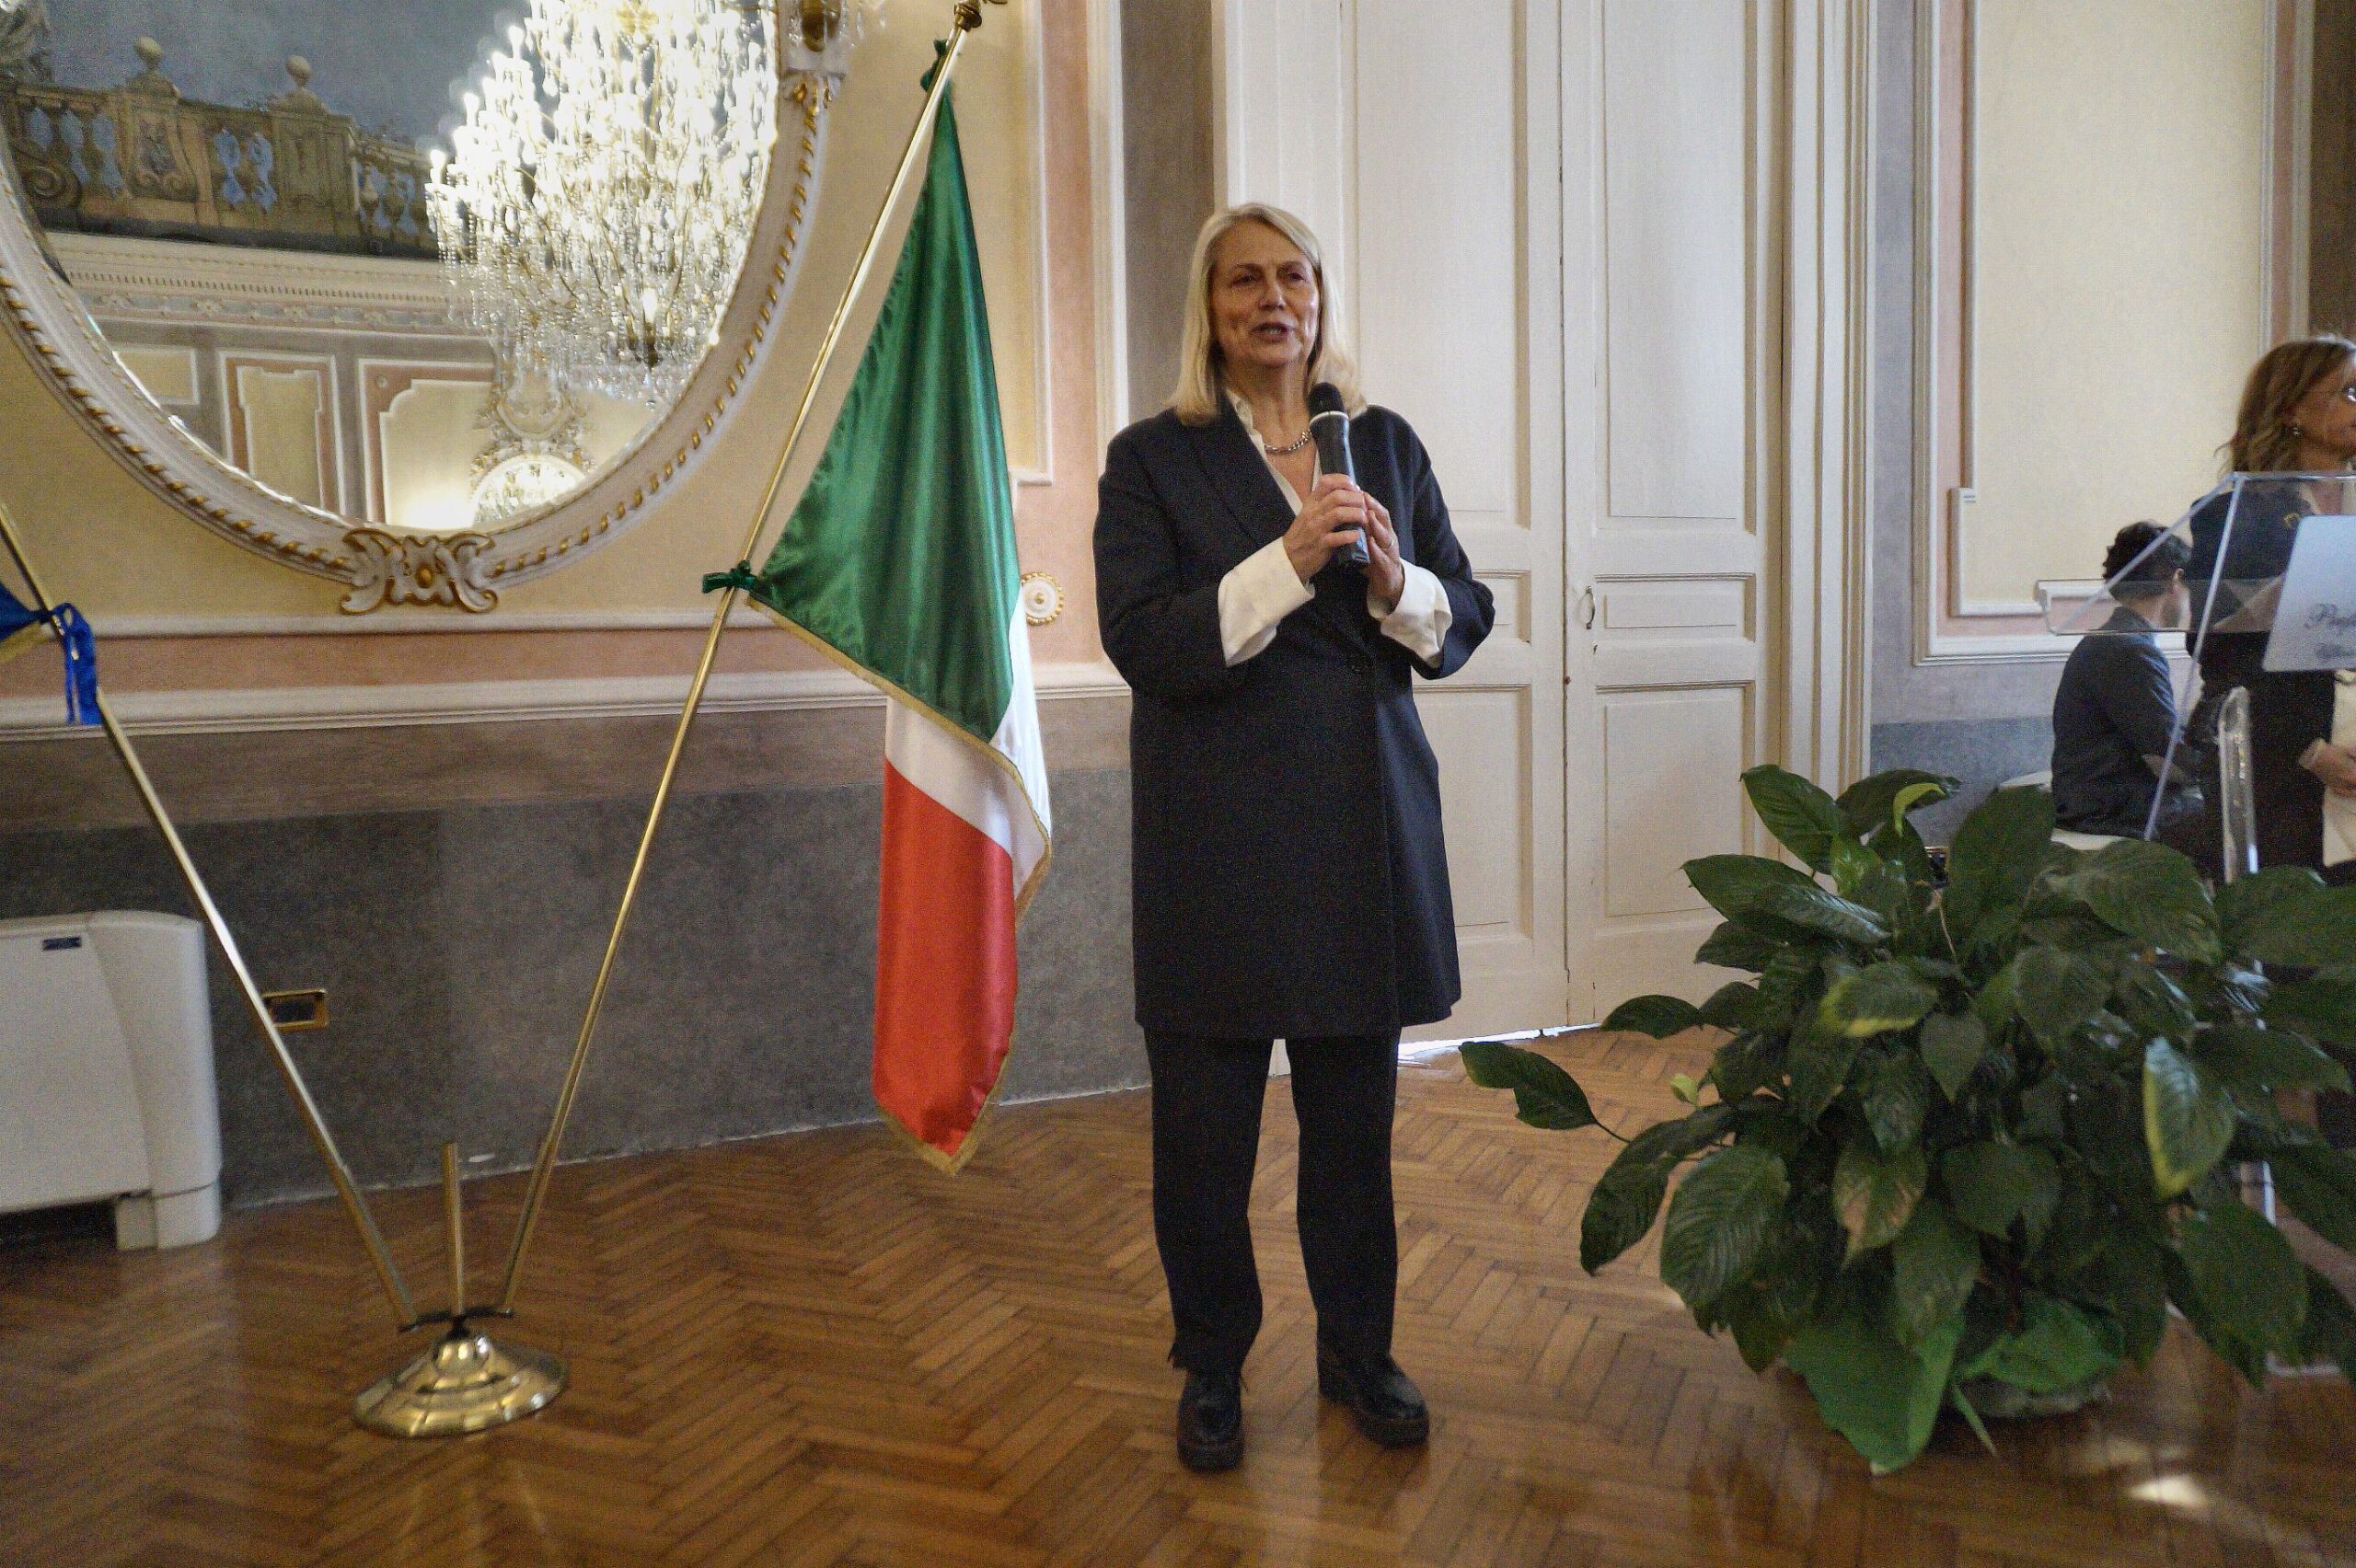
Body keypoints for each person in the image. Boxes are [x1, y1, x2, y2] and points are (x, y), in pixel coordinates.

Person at [1092, 203, 1493, 1471]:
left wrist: (1392, 581)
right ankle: (1213, 1364)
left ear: (1320, 298)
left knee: (1353, 1140)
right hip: (1214, 845)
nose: (1273, 299)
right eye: (1244, 281)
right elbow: (1143, 641)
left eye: (1294, 277)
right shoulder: (1152, 460)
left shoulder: (1382, 442)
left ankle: (1358, 1354)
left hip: (1358, 836)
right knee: (1204, 1144)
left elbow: (1464, 615)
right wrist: (1285, 559)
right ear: (1208, 311)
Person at [2181, 336, 2356, 883]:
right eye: (2348, 391)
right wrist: (2310, 750)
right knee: (2299, 925)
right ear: (2290, 410)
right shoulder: (2238, 513)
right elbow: (2220, 652)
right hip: (2288, 763)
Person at [2050, 523, 2198, 838]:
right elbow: (2168, 753)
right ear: (2176, 580)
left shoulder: (2111, 640)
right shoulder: (2131, 650)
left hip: (2099, 807)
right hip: (2113, 815)